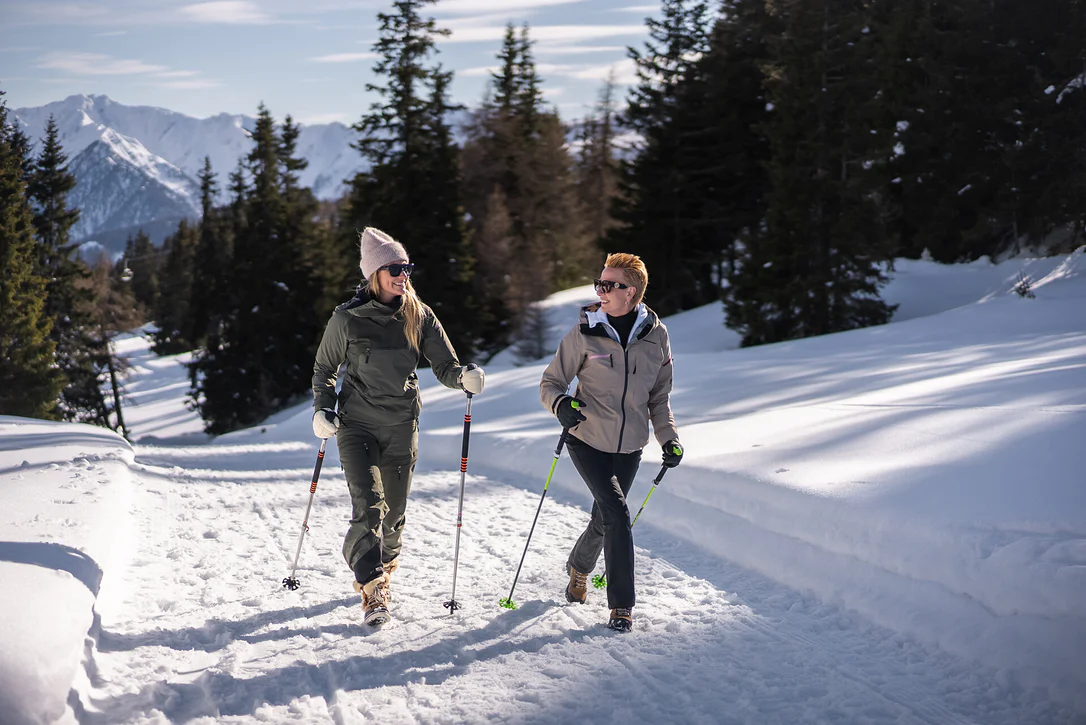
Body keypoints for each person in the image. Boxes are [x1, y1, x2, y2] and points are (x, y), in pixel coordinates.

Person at [311, 227, 486, 626]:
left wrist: (463, 378)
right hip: (355, 425)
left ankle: (383, 564)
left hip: (401, 424)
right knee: (368, 506)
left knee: (393, 516)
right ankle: (373, 590)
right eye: (395, 267)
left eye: (406, 267)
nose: (403, 274)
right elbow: (324, 369)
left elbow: (445, 365)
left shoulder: (418, 314)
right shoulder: (347, 319)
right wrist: (323, 408)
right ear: (375, 272)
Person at [539, 253, 683, 632]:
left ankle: (578, 568)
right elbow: (550, 382)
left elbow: (659, 397)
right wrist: (561, 404)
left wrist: (669, 439)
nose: (599, 291)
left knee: (603, 519)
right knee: (617, 514)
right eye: (598, 284)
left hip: (630, 445)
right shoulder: (584, 332)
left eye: (608, 285)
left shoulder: (657, 336)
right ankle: (622, 606)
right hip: (585, 438)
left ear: (630, 292)